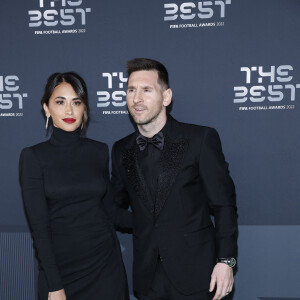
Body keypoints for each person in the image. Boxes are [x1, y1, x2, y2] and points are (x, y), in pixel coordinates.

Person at [110, 58, 238, 300]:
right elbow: (113, 208)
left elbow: (224, 205)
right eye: (131, 90)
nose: (137, 98)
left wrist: (226, 261)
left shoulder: (199, 139)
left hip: (201, 276)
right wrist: (143, 222)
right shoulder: (121, 150)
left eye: (146, 90)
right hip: (148, 279)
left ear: (166, 97)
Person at [19, 72, 131, 300]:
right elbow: (39, 229)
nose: (69, 111)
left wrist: (157, 219)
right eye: (60, 102)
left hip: (104, 266)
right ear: (47, 108)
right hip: (61, 271)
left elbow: (109, 211)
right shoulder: (33, 157)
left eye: (76, 102)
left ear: (84, 108)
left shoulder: (99, 151)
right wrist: (54, 285)